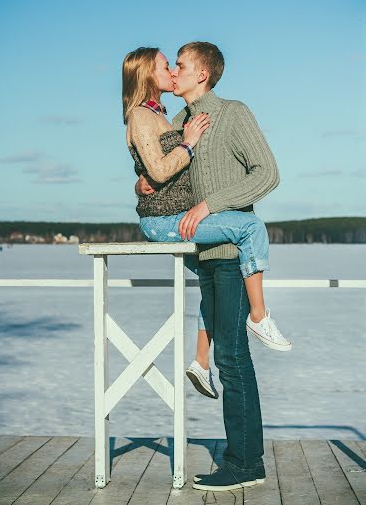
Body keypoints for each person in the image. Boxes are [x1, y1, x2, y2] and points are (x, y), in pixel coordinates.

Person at [132, 41, 288, 491]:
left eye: (180, 66)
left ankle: (245, 464)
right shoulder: (178, 123)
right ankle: (242, 457)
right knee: (222, 358)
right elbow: (164, 174)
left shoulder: (234, 113)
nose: (173, 72)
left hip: (233, 258)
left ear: (202, 74)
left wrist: (211, 204)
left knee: (232, 358)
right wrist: (143, 182)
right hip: (202, 257)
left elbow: (267, 174)